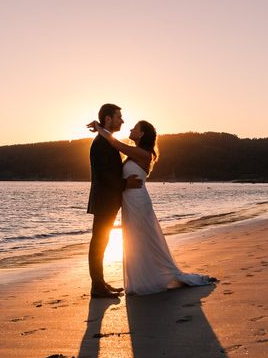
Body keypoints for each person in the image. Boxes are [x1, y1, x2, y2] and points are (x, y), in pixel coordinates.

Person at [87, 118, 217, 296]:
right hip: (131, 201)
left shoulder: (143, 153)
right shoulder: (137, 152)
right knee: (136, 240)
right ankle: (141, 278)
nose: (130, 128)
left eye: (135, 128)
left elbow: (114, 143)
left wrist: (99, 127)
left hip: (138, 201)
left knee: (143, 239)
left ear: (141, 134)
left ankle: (150, 279)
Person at [87, 104, 142, 298]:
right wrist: (126, 182)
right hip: (103, 200)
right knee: (98, 242)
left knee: (102, 241)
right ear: (108, 119)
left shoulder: (106, 140)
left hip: (107, 200)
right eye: (119, 117)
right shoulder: (101, 144)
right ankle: (97, 287)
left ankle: (100, 283)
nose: (122, 120)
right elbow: (105, 176)